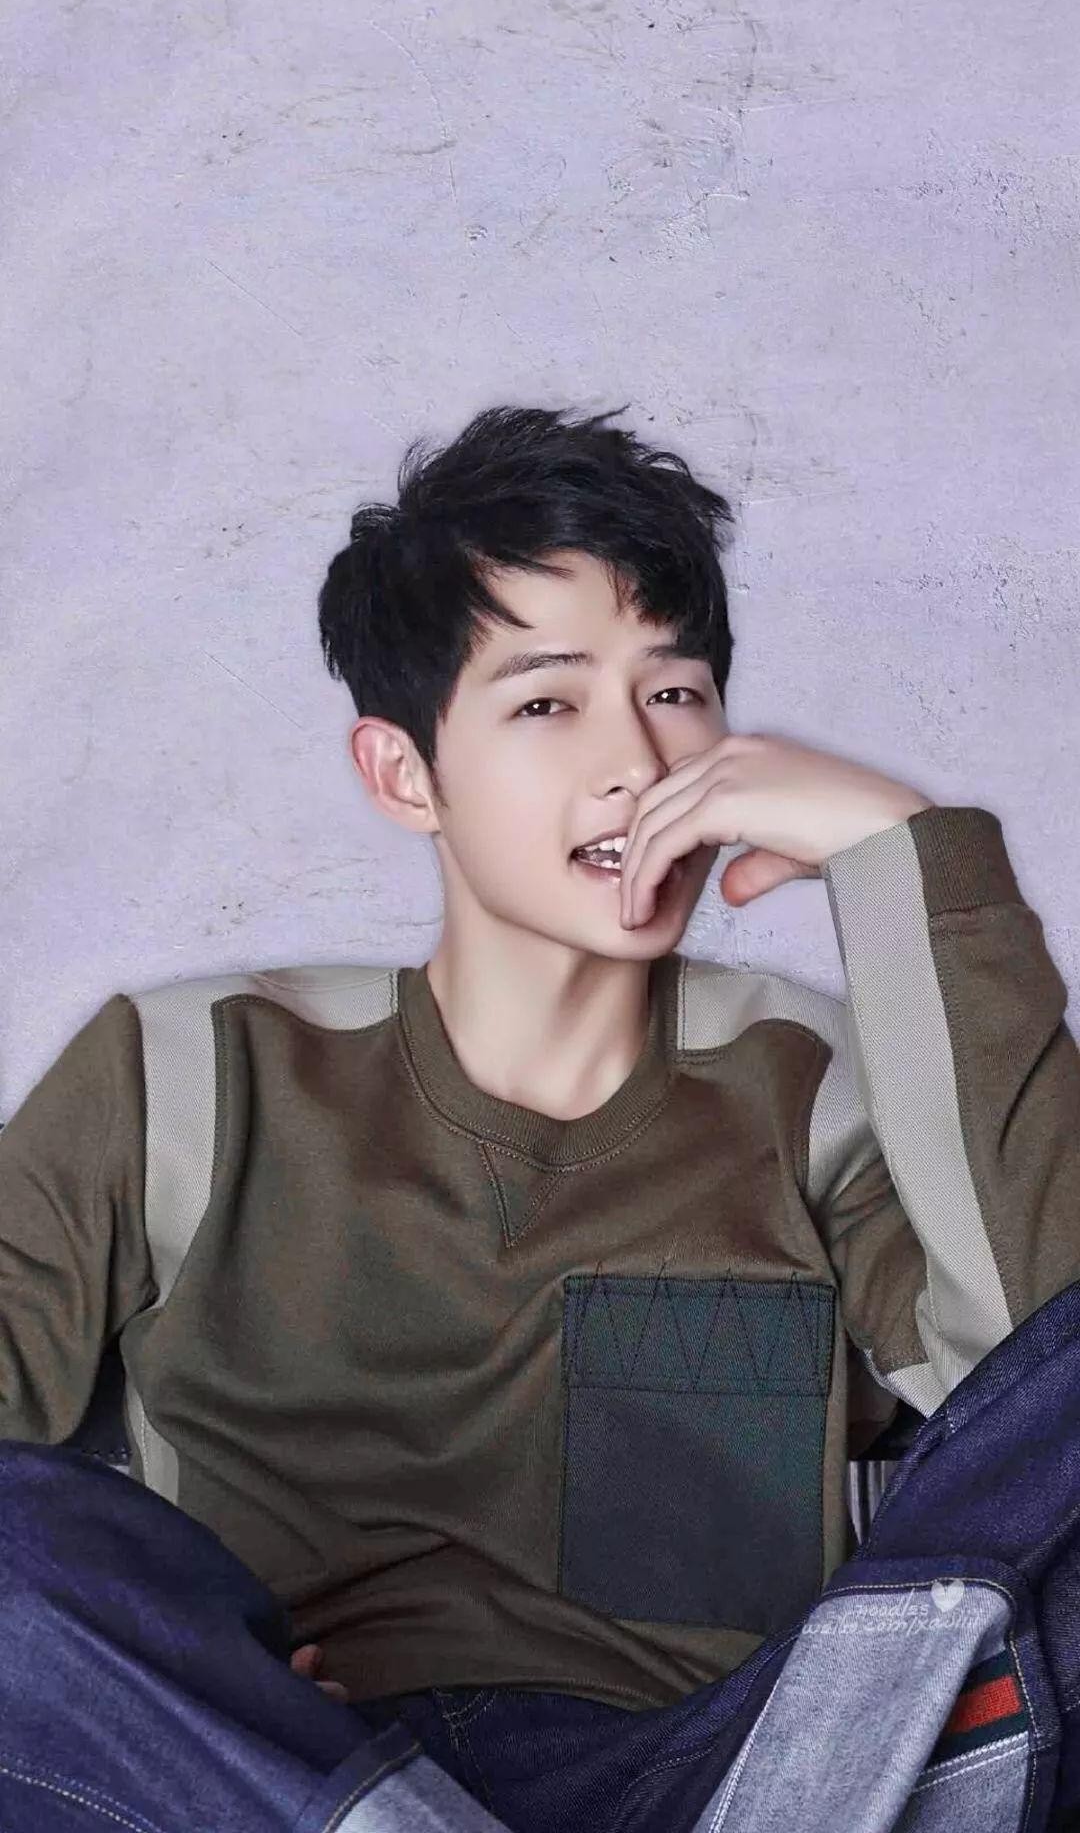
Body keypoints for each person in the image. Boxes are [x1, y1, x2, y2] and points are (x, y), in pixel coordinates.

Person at [2, 401, 1079, 1832]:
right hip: (280, 1779)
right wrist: (188, 1695)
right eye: (547, 703)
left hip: (720, 1783)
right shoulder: (180, 1075)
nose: (637, 759)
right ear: (406, 773)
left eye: (676, 691)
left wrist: (908, 852)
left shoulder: (814, 1094)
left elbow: (1044, 1379)